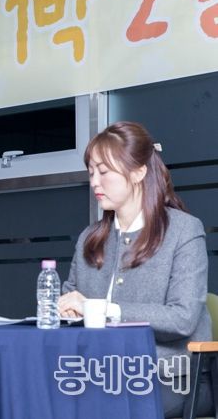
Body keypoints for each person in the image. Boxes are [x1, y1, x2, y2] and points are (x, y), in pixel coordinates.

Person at [58, 122, 213, 418]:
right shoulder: (90, 238)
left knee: (99, 406)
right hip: (99, 373)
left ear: (138, 172)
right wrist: (65, 309)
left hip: (173, 378)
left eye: (104, 172)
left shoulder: (184, 231)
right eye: (91, 172)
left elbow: (182, 318)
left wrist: (101, 309)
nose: (94, 182)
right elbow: (70, 301)